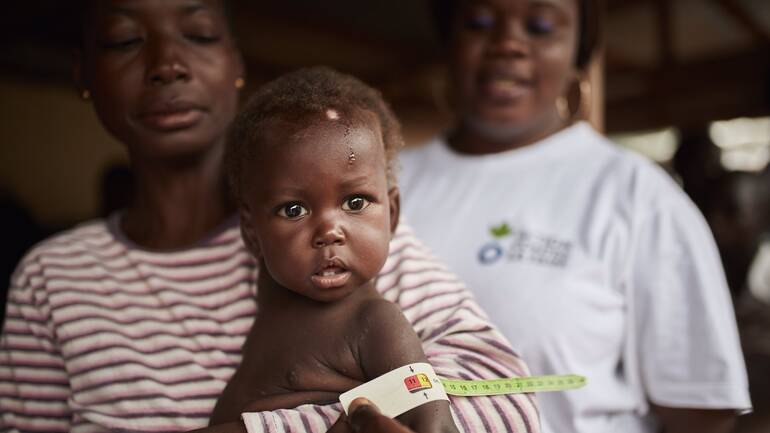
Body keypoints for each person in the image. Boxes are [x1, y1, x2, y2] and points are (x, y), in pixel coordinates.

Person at [0, 1, 539, 432]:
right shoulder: (51, 279)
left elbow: (513, 407)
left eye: (199, 34)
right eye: (123, 40)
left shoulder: (359, 254)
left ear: (236, 62)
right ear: (84, 72)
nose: (166, 64)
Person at [398, 1, 752, 432]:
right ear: (449, 41)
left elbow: (701, 413)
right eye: (480, 22)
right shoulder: (382, 187)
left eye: (541, 26)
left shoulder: (637, 197)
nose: (508, 43)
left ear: (578, 54)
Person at [208, 67, 459, 433]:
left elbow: (436, 427)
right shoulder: (276, 283)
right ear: (251, 231)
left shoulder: (376, 325)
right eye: (294, 210)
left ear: (392, 213)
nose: (329, 231)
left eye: (355, 202)